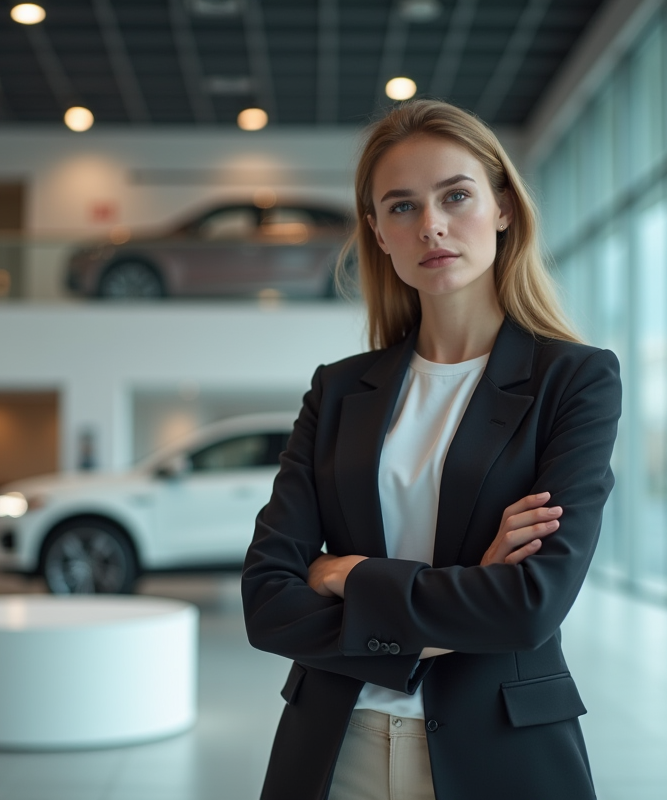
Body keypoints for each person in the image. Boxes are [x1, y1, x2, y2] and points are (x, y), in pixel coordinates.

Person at [240, 99, 621, 800]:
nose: (433, 225)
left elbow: (531, 605)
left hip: (502, 754)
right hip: (331, 746)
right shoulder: (337, 390)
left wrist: (347, 573)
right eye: (402, 206)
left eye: (455, 195)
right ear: (378, 234)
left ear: (504, 207)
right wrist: (469, 587)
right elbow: (267, 603)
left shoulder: (574, 380)